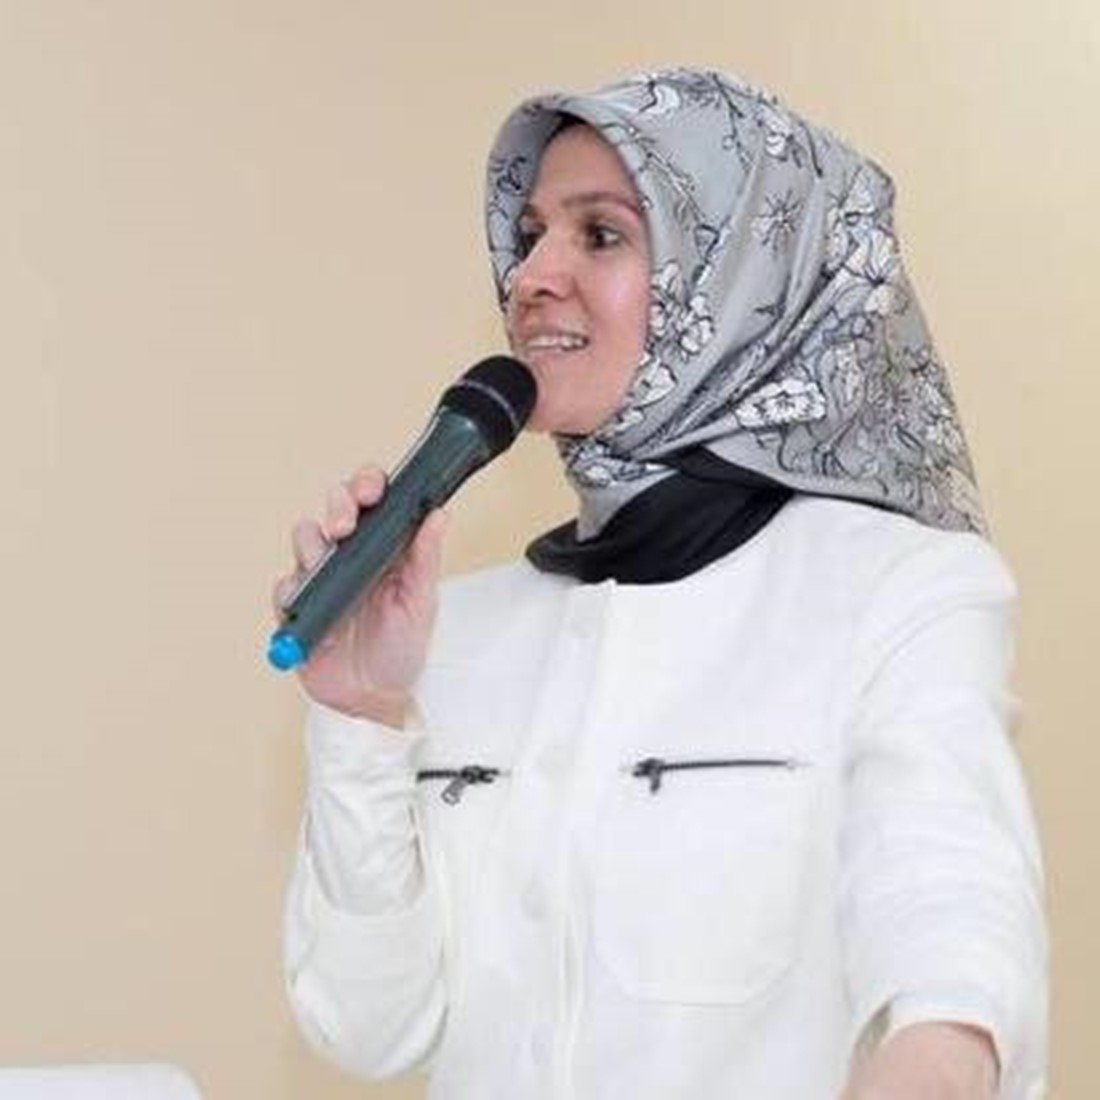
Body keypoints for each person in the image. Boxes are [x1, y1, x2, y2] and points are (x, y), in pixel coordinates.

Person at [278, 68, 1047, 1099]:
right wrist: (363, 717)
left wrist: (941, 1052)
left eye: (599, 234)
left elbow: (949, 921)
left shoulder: (894, 590)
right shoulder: (456, 625)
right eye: (530, 235)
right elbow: (370, 1027)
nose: (531, 276)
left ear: (744, 279)